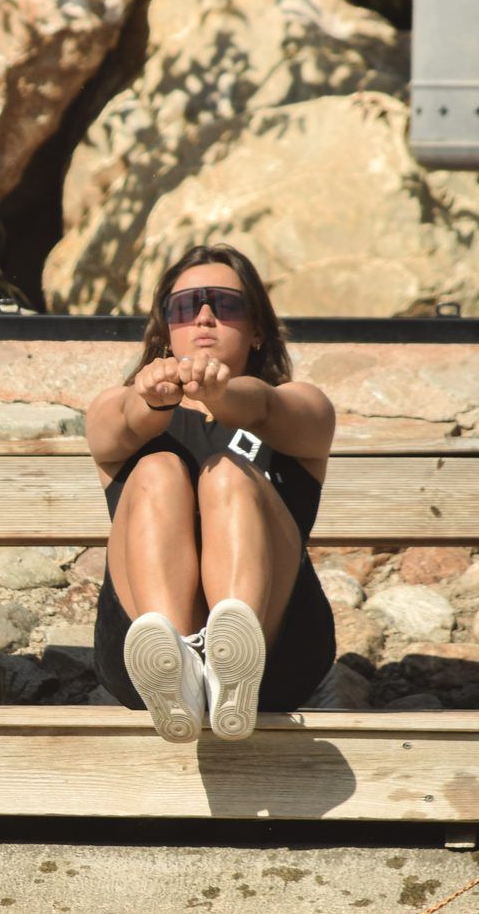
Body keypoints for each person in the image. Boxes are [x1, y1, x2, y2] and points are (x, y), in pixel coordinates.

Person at [85, 243, 336, 742]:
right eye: (185, 306)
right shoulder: (121, 404)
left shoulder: (300, 403)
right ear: (165, 330)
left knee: (227, 472)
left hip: (280, 650)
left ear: (257, 328)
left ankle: (233, 667)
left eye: (225, 304)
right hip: (139, 657)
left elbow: (265, 410)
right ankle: (175, 666)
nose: (203, 316)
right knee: (157, 468)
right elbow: (112, 428)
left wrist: (220, 394)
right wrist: (149, 399)